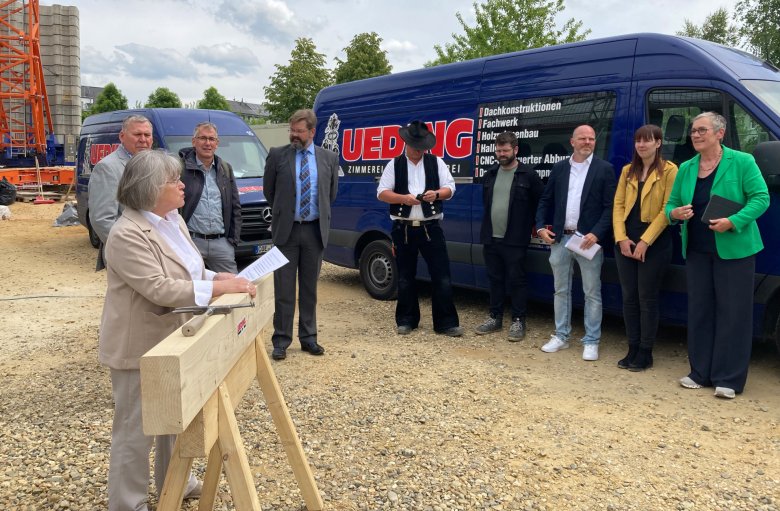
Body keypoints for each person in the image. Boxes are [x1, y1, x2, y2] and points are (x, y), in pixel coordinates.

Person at [98, 150, 256, 510]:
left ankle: (176, 482)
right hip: (137, 345)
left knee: (174, 417)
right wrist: (220, 289)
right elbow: (160, 288)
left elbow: (193, 271)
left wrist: (222, 277)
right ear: (151, 188)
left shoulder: (173, 220)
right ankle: (127, 503)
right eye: (174, 180)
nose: (183, 185)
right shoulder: (126, 234)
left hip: (173, 338)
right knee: (135, 431)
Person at [665, 112, 768, 399]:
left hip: (735, 250)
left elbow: (761, 198)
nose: (695, 135)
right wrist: (674, 213)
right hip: (697, 251)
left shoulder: (743, 161)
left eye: (702, 130)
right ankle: (700, 373)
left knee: (733, 314)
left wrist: (733, 221)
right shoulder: (686, 167)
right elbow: (671, 204)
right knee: (700, 312)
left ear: (719, 133)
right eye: (693, 131)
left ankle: (729, 379)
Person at [535, 125, 616, 361]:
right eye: (583, 138)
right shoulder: (560, 168)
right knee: (561, 290)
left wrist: (597, 233)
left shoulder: (605, 169)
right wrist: (541, 227)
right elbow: (545, 199)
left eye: (591, 138)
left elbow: (610, 207)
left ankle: (591, 341)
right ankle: (561, 336)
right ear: (572, 141)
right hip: (561, 238)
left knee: (592, 292)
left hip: (588, 240)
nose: (588, 142)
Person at [263, 109, 339, 361]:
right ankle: (281, 341)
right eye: (291, 131)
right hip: (287, 232)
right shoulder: (277, 155)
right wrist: (285, 213)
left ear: (312, 132)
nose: (294, 136)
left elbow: (330, 195)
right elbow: (269, 192)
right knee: (284, 289)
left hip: (314, 231)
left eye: (299, 131)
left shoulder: (328, 158)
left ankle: (309, 338)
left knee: (309, 289)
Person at [377, 120, 463, 337]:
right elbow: (382, 193)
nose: (419, 150)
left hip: (431, 227)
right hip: (403, 228)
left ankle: (446, 322)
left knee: (441, 275)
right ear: (407, 143)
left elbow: (450, 187)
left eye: (422, 147)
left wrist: (437, 194)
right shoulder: (394, 164)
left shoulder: (436, 162)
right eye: (416, 146)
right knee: (405, 276)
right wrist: (403, 199)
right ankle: (406, 319)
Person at [613, 125, 678, 371]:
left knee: (646, 298)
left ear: (658, 143)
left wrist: (645, 241)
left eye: (647, 141)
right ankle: (632, 347)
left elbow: (667, 209)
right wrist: (621, 238)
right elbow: (618, 206)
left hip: (654, 243)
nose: (642, 145)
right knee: (629, 298)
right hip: (626, 242)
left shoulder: (670, 171)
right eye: (638, 141)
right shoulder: (627, 171)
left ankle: (645, 352)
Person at [476, 131, 544, 340]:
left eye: (505, 150)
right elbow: (487, 204)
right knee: (495, 279)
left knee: (517, 280)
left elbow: (541, 203)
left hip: (515, 239)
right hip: (491, 237)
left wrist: (534, 225)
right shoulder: (490, 174)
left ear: (515, 150)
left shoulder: (528, 175)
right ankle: (495, 317)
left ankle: (517, 321)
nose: (501, 154)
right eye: (498, 150)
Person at [88, 114, 153, 270]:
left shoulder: (153, 164)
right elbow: (102, 219)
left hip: (153, 248)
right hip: (128, 253)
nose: (143, 139)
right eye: (137, 134)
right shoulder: (108, 168)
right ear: (122, 136)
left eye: (147, 135)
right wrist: (130, 249)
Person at [179, 121, 242, 273]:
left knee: (233, 290)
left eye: (211, 139)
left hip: (221, 244)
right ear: (194, 142)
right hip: (191, 243)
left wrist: (232, 240)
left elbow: (235, 206)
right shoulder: (180, 168)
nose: (208, 143)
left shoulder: (225, 169)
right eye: (203, 138)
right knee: (191, 290)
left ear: (217, 143)